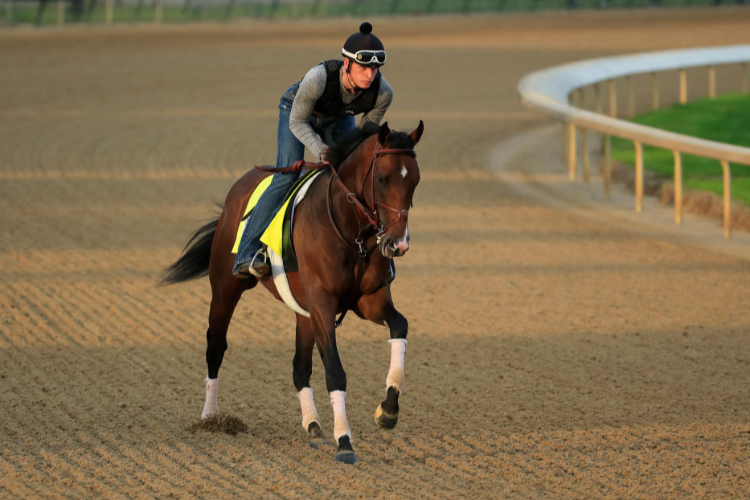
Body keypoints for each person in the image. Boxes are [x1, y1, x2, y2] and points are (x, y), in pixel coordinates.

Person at [233, 22, 393, 279]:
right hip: (295, 113)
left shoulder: (383, 93)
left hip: (338, 118)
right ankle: (247, 252)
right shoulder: (318, 78)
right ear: (346, 63)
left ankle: (374, 251)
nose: (370, 74)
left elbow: (364, 137)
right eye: (363, 67)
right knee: (286, 177)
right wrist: (321, 150)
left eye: (375, 68)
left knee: (351, 177)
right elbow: (298, 122)